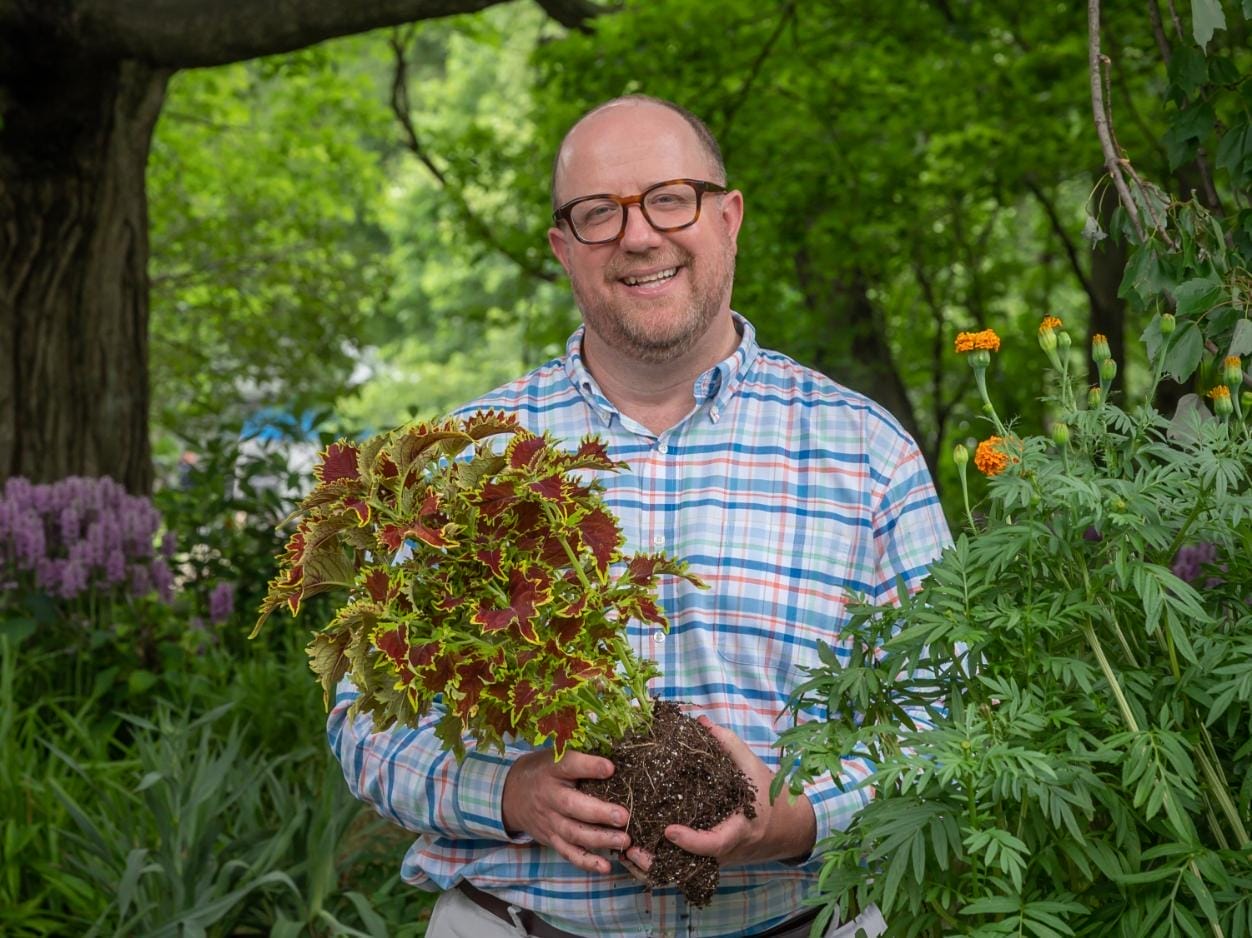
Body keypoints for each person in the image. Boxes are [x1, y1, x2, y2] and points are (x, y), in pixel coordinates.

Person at [329, 95, 951, 938]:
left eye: (670, 198)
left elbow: (945, 722)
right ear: (562, 249)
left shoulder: (866, 453)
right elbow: (367, 725)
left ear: (728, 217)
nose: (639, 235)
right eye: (598, 214)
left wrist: (794, 818)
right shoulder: (471, 464)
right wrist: (509, 794)